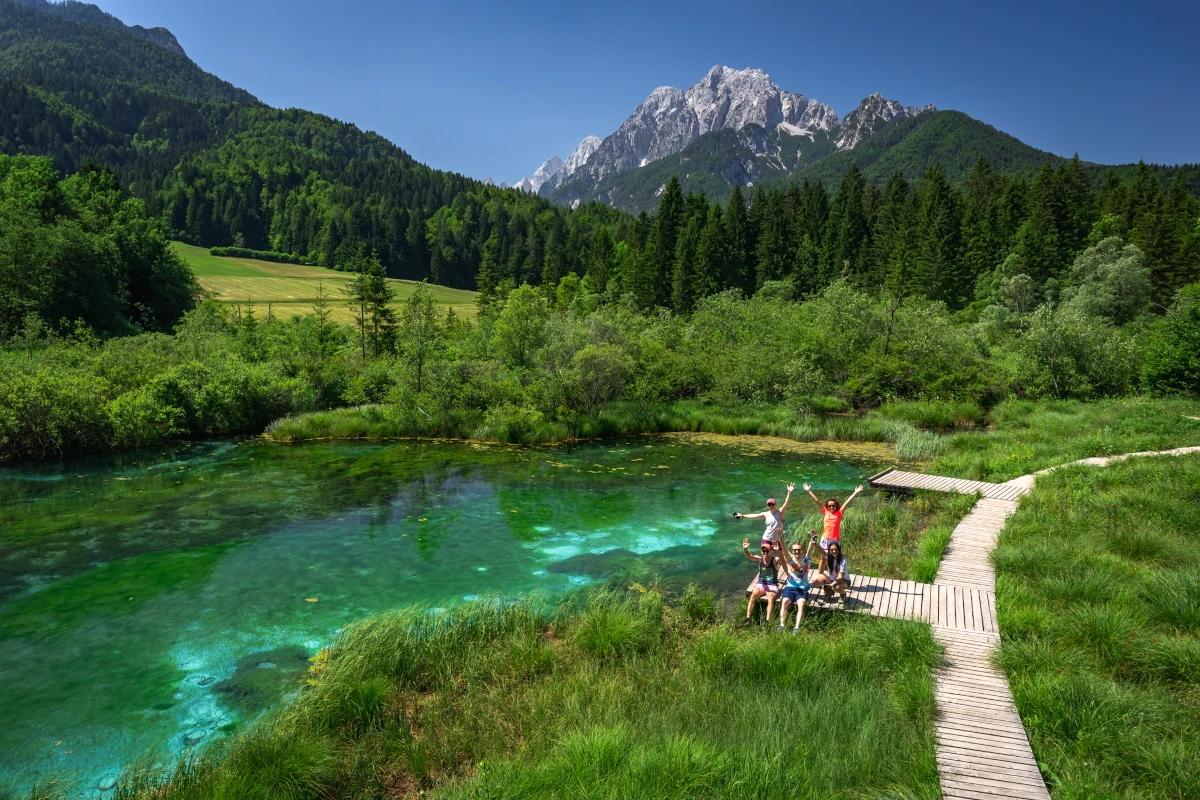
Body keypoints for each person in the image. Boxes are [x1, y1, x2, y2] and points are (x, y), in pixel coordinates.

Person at [802, 483, 863, 553]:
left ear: (836, 506)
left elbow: (847, 502)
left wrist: (855, 492)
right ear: (827, 507)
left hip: (835, 540)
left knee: (835, 558)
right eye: (829, 506)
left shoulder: (839, 513)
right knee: (823, 559)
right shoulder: (825, 511)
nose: (831, 507)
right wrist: (809, 490)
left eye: (833, 506)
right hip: (825, 539)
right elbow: (817, 501)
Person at [777, 529, 817, 633]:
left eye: (798, 550)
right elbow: (784, 549)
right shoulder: (790, 559)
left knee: (802, 603)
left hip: (802, 588)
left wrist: (813, 537)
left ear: (801, 550)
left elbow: (811, 548)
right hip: (790, 586)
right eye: (794, 550)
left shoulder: (806, 559)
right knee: (784, 602)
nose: (796, 552)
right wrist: (780, 537)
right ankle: (782, 625)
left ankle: (796, 628)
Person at [734, 483, 795, 551]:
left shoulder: (780, 512)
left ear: (775, 505)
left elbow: (786, 503)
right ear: (767, 506)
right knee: (765, 557)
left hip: (777, 539)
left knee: (783, 558)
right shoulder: (766, 514)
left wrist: (789, 492)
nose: (771, 506)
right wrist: (742, 515)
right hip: (766, 539)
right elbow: (753, 516)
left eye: (772, 504)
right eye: (769, 504)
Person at [739, 538, 784, 627]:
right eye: (763, 551)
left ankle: (767, 621)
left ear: (771, 551)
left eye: (767, 551)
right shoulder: (759, 560)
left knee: (770, 598)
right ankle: (748, 618)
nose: (765, 553)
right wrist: (745, 549)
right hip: (761, 584)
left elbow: (784, 559)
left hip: (772, 585)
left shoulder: (775, 560)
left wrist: (777, 550)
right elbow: (749, 556)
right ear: (761, 551)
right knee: (753, 595)